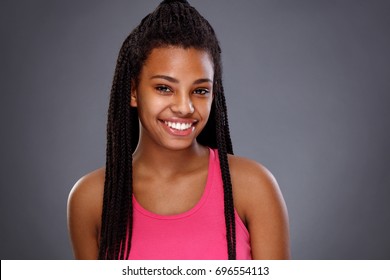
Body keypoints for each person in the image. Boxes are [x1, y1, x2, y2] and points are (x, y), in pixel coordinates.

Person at [67, 0, 290, 260]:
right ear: (133, 91)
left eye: (200, 91)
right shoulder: (92, 198)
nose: (185, 107)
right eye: (164, 88)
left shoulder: (252, 187)